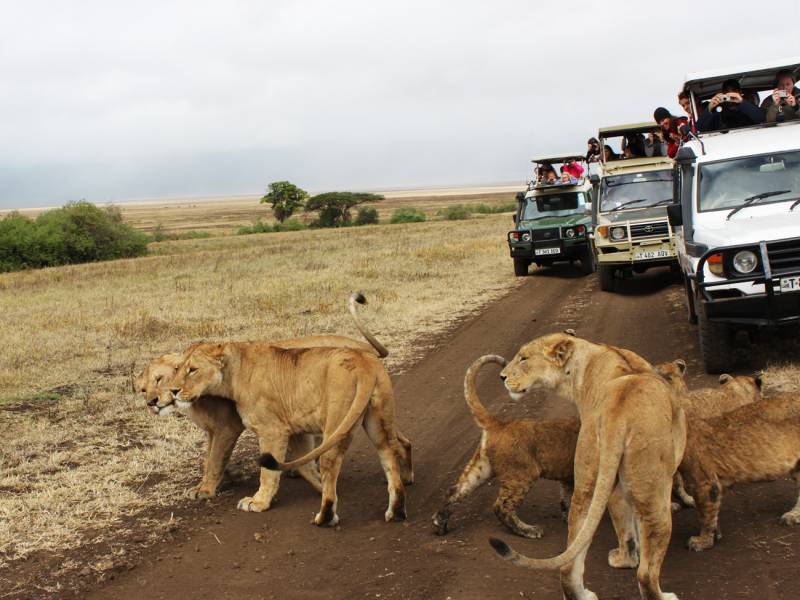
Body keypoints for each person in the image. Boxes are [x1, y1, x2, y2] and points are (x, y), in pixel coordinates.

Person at [696, 78, 765, 132]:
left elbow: (763, 118)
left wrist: (742, 102)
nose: (730, 97)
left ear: (740, 93)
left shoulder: (748, 107)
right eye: (727, 94)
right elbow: (700, 129)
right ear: (722, 94)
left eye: (733, 93)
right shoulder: (718, 111)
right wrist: (709, 108)